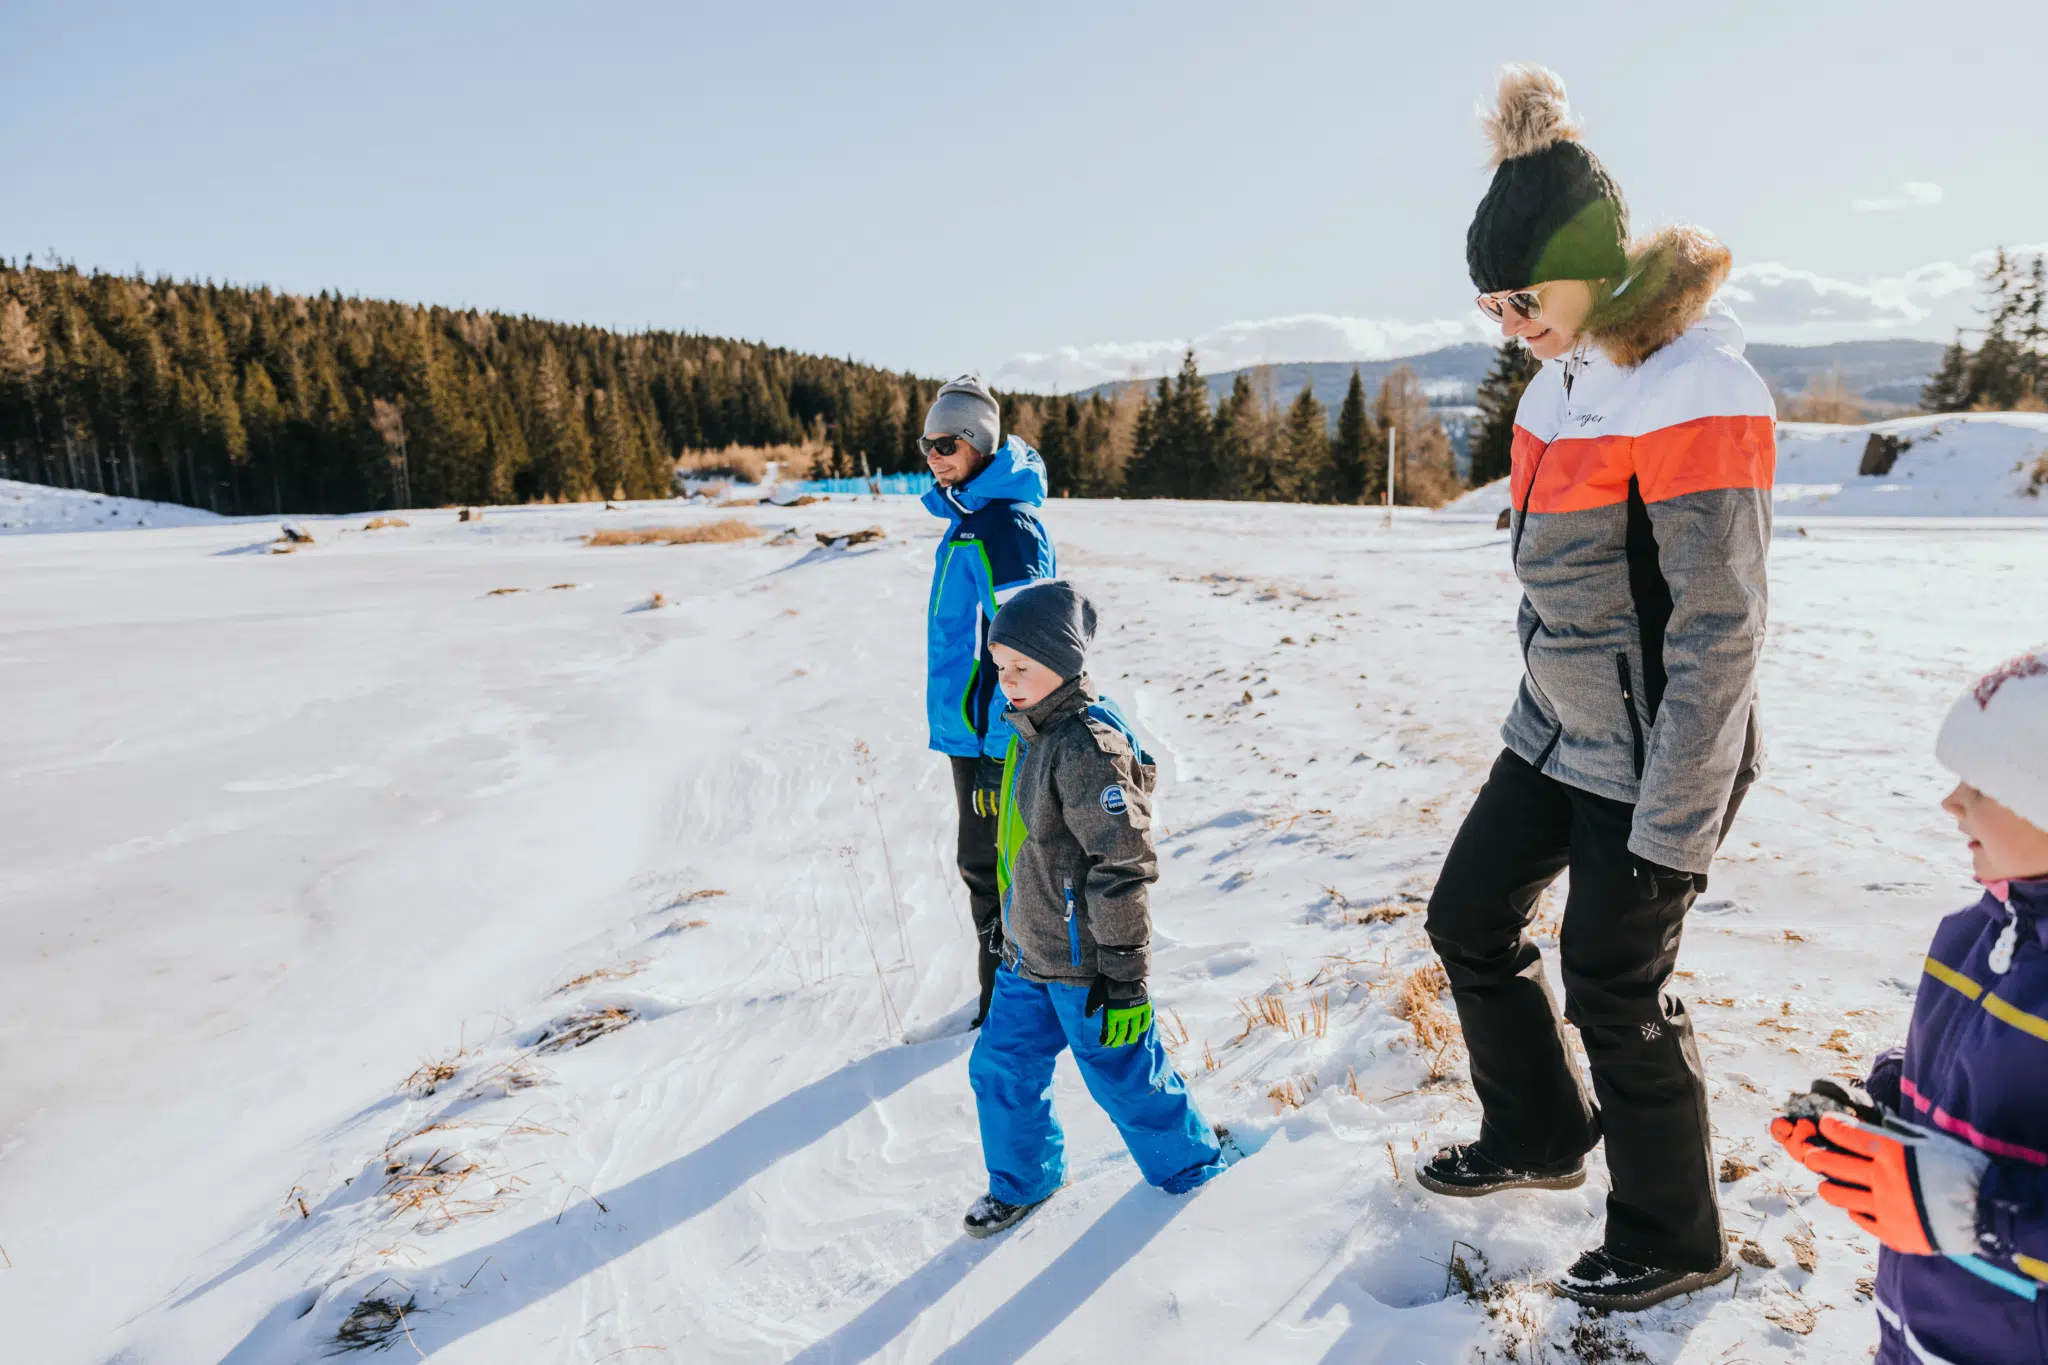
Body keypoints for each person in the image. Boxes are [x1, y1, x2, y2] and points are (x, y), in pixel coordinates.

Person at [1417, 65, 1776, 1310]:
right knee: (1466, 921)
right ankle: (1535, 1131)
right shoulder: (1551, 384)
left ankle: (1673, 1237)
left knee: (1613, 985)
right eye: (1491, 304)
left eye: (1523, 296)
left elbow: (1719, 627)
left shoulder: (1697, 386)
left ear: (1590, 267)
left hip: (1664, 751)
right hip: (1559, 732)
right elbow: (1545, 592)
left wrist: (1676, 819)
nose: (1509, 321)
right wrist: (1530, 723)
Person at [1771, 647, 2048, 1365]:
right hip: (1919, 1329)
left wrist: (1977, 1210)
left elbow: (1975, 1194)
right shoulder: (1973, 934)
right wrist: (1883, 1111)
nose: (1952, 802)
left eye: (1983, 783)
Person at [962, 581, 1227, 1237]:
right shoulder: (1030, 730)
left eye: (1022, 666)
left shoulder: (1088, 747)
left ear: (1065, 661)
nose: (1008, 681)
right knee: (1000, 1068)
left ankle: (1194, 1178)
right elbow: (1029, 851)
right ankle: (1026, 1180)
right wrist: (1008, 922)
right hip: (1028, 957)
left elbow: (1123, 864)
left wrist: (1126, 973)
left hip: (1089, 970)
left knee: (1126, 1078)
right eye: (1000, 667)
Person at [919, 375, 1055, 1027]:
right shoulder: (971, 519)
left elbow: (1030, 646)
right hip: (969, 732)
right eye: (927, 446)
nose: (935, 457)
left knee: (1004, 871)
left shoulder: (1004, 525)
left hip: (999, 734)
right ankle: (999, 999)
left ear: (976, 442)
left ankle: (1009, 1010)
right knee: (981, 865)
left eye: (946, 443)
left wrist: (1011, 738)